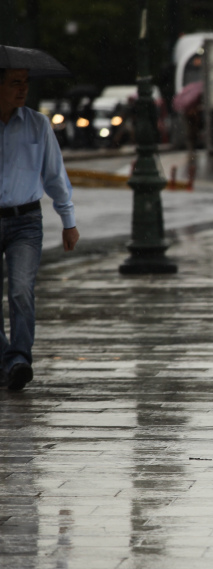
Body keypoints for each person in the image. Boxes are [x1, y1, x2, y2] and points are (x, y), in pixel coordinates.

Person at [0, 67, 80, 392]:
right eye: (14, 83)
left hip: (26, 221)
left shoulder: (37, 124)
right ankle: (5, 358)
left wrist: (68, 221)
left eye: (26, 83)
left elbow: (54, 176)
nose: (22, 90)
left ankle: (19, 359)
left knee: (21, 290)